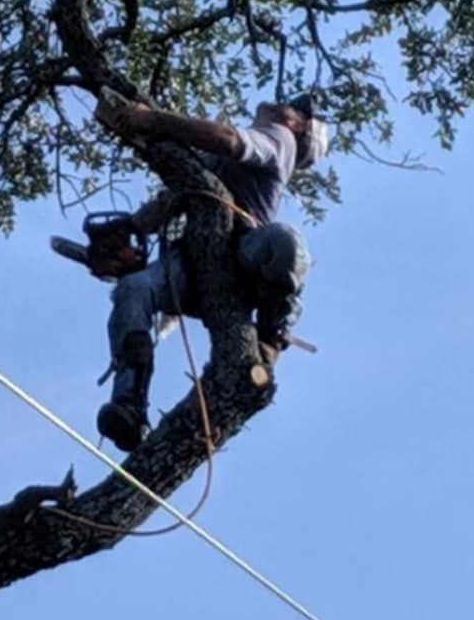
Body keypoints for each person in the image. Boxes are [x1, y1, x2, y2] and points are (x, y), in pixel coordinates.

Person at [92, 91, 329, 451]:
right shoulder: (220, 156)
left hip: (243, 258)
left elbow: (226, 139)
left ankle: (270, 331)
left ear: (297, 127)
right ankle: (129, 402)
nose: (282, 104)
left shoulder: (280, 142)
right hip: (188, 264)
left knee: (285, 241)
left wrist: (150, 119)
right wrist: (129, 232)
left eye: (293, 110)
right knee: (134, 289)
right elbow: (174, 198)